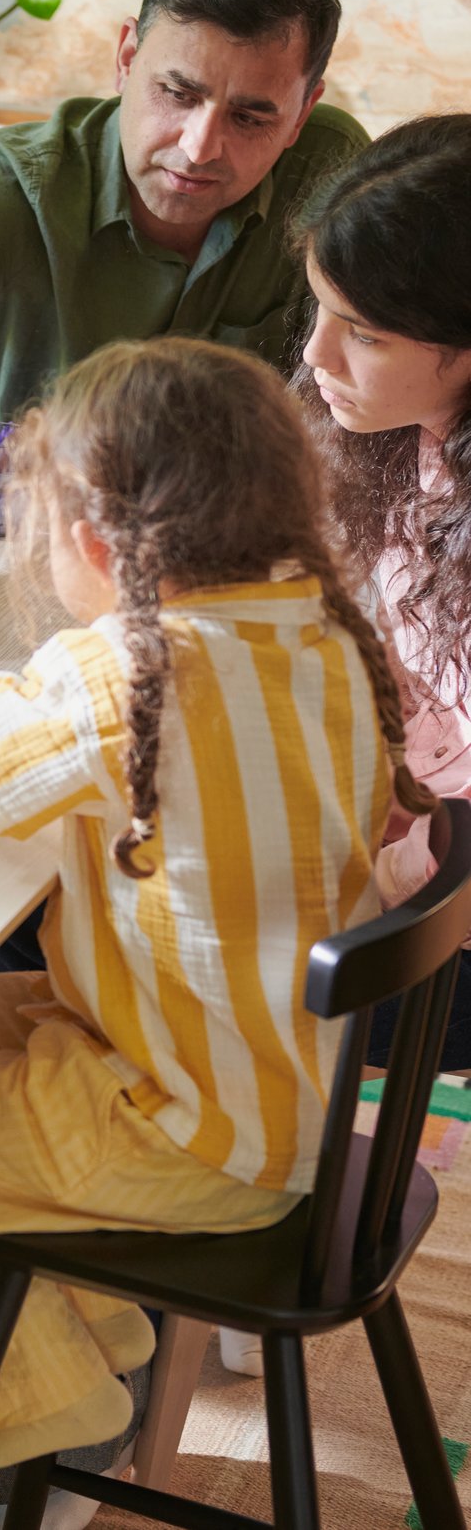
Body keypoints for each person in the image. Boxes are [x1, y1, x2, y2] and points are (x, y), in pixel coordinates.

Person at [0, 337, 426, 1528]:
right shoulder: (322, 630)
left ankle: (36, 1425)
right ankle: (90, 1333)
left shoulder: (130, 670)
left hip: (193, 1136)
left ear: (94, 544)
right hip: (284, 1092)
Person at [0, 0, 366, 619]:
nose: (198, 147)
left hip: (240, 571)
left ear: (302, 114)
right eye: (177, 93)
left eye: (250, 118)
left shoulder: (331, 170)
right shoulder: (15, 178)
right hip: (24, 552)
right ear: (126, 58)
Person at [293, 112, 471, 1072]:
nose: (317, 353)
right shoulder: (414, 441)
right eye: (320, 307)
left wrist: (372, 877)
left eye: (360, 330)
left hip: (441, 923)